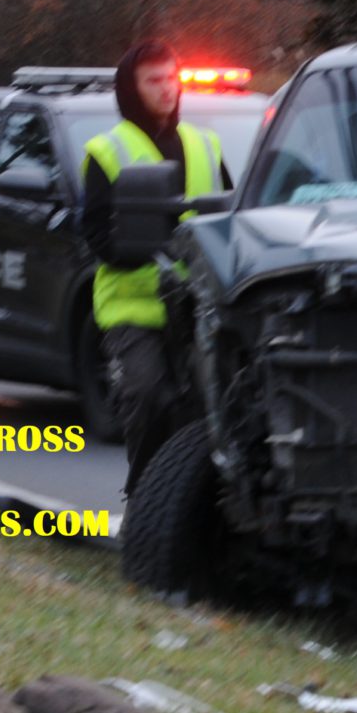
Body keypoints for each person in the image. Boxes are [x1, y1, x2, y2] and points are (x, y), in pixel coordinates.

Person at [79, 38, 231, 487]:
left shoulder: (205, 143)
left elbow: (227, 215)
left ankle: (206, 504)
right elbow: (98, 235)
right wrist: (151, 250)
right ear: (132, 89)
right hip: (135, 306)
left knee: (217, 402)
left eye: (171, 78)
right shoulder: (107, 150)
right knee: (147, 393)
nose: (167, 89)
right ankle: (145, 496)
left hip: (199, 303)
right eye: (153, 81)